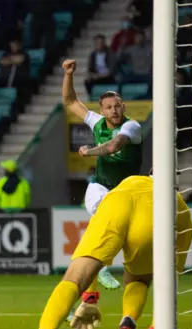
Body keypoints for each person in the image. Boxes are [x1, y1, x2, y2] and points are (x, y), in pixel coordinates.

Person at [5, 174, 192, 329]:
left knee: (74, 277)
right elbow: (169, 283)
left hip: (115, 201)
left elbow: (95, 263)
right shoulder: (180, 206)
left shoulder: (120, 181)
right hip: (158, 211)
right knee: (140, 278)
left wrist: (90, 299)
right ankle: (129, 320)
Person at [60, 59, 144, 293]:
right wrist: (68, 75)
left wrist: (89, 151)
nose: (113, 111)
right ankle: (101, 269)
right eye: (108, 107)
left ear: (124, 107)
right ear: (102, 110)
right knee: (103, 219)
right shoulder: (96, 123)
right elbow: (69, 101)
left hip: (127, 191)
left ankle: (84, 289)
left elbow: (113, 146)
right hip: (101, 186)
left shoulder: (132, 127)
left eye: (117, 106)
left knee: (116, 233)